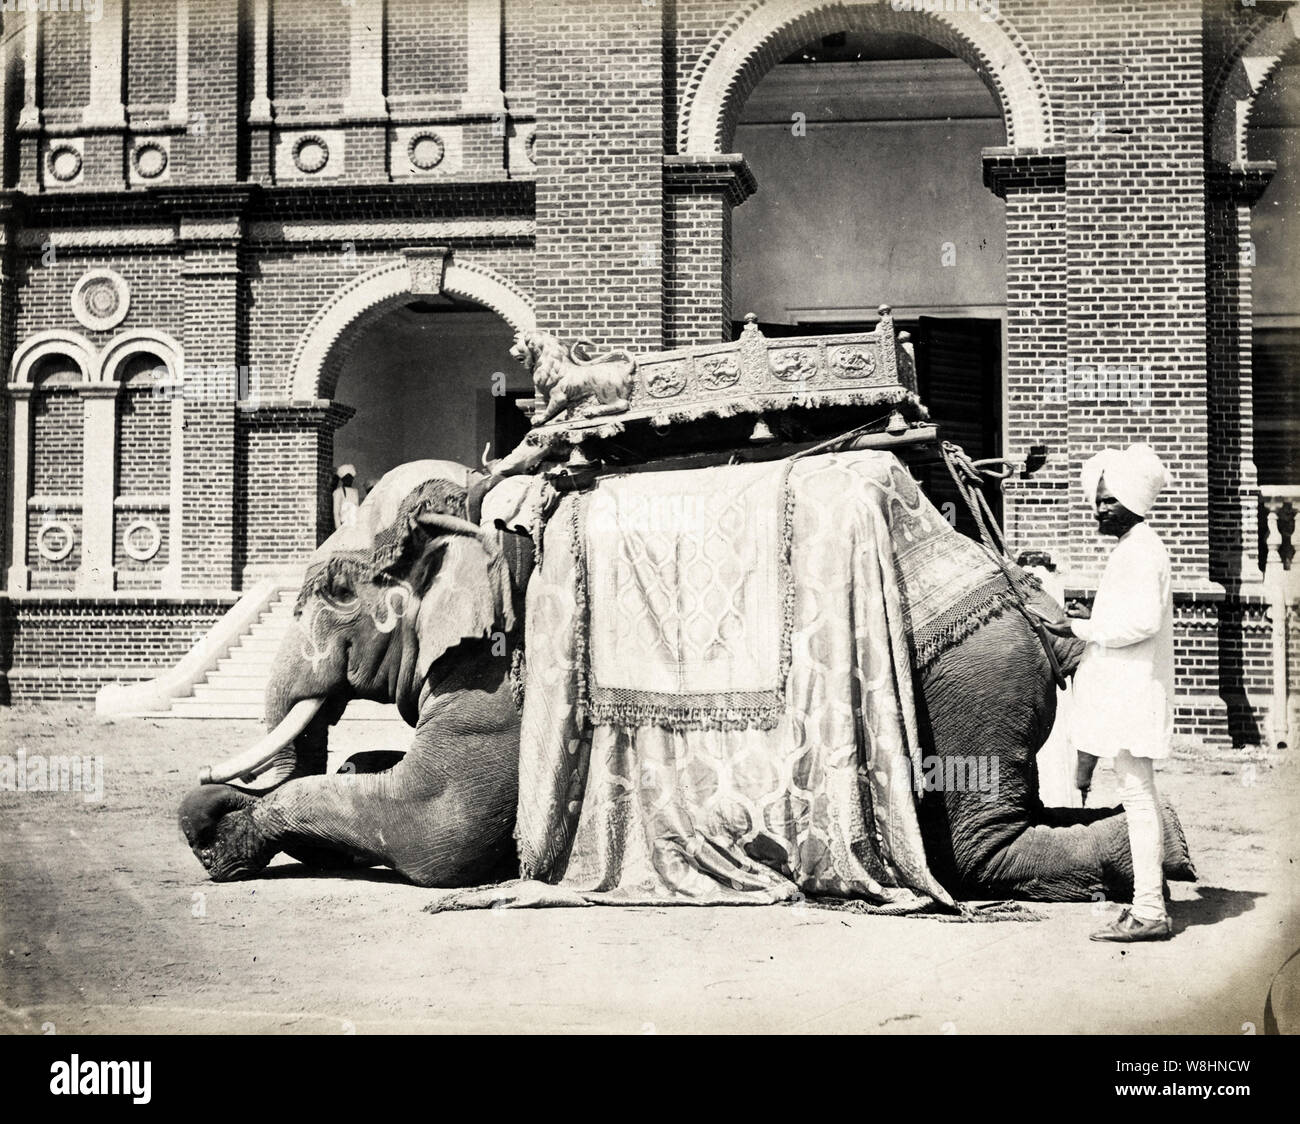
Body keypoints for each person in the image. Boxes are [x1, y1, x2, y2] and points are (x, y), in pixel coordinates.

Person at [1043, 443, 1175, 942]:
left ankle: (1150, 911)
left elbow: (1138, 623)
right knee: (1136, 797)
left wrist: (1077, 628)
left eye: (1108, 500)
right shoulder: (1134, 547)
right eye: (1098, 499)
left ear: (1133, 503)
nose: (1098, 508)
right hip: (1128, 689)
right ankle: (1147, 906)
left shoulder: (1143, 550)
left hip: (1134, 692)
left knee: (1138, 798)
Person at [332, 464, 361, 531]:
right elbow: (336, 512)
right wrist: (339, 529)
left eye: (350, 478)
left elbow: (357, 509)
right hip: (344, 526)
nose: (349, 480)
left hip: (354, 526)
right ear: (342, 479)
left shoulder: (355, 491)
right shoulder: (338, 492)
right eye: (346, 478)